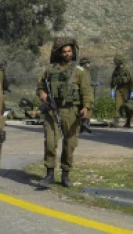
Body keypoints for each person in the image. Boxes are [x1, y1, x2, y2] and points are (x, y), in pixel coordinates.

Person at [37, 37, 93, 188]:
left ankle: (65, 175)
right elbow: (40, 86)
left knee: (69, 145)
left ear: (73, 52)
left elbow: (86, 92)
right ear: (60, 53)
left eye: (69, 51)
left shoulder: (79, 72)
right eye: (64, 51)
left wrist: (85, 108)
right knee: (50, 142)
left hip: (72, 112)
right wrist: (42, 93)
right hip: (52, 110)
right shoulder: (50, 70)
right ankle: (49, 174)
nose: (67, 54)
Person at [110, 55, 133, 128]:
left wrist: (132, 91)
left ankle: (128, 122)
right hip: (118, 88)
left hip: (127, 89)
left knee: (127, 106)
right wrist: (112, 89)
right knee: (118, 105)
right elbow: (112, 79)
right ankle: (116, 121)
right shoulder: (116, 70)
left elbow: (131, 81)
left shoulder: (126, 69)